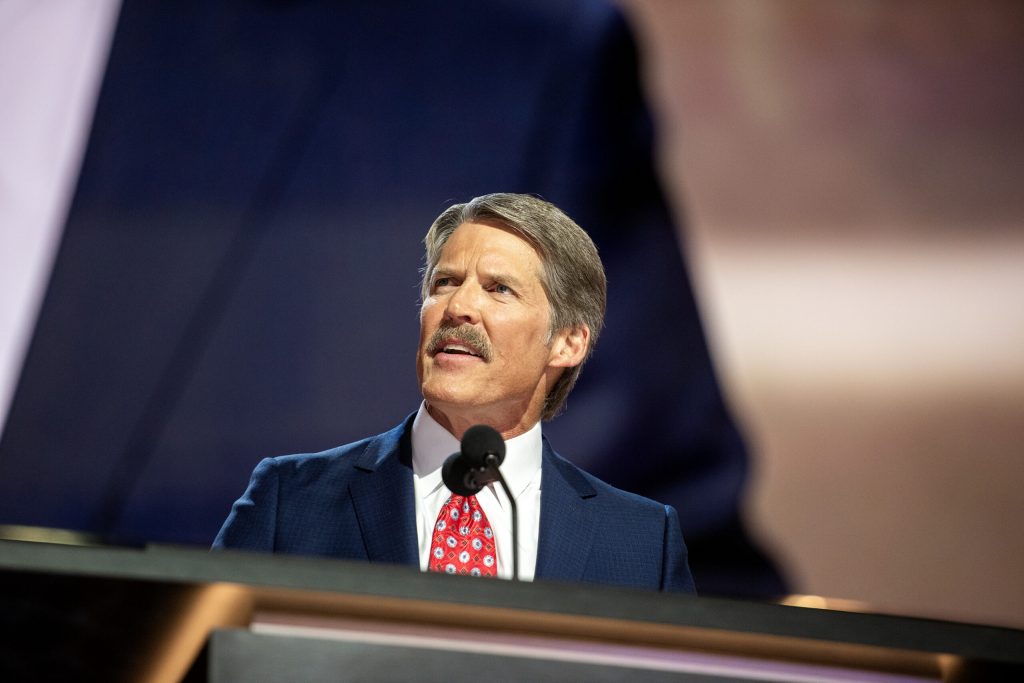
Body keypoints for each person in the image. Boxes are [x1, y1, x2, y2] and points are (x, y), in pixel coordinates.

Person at [213, 193, 695, 592]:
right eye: (443, 283)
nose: (458, 306)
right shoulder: (292, 501)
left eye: (499, 289)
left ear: (569, 341)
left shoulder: (641, 542)